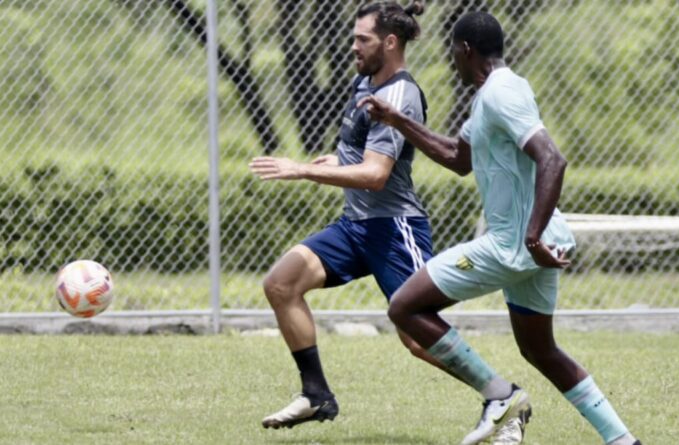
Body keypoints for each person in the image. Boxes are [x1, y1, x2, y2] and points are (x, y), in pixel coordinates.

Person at [358, 11, 642, 445]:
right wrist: (398, 121)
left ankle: (499, 395)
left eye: (452, 51)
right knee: (539, 350)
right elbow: (458, 157)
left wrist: (530, 237)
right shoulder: (494, 92)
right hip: (536, 242)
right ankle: (623, 441)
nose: (451, 59)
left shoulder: (501, 94)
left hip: (515, 244)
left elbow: (552, 159)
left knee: (404, 307)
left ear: (465, 50)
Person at [249, 1, 436, 430]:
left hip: (394, 229)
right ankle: (316, 395)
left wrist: (302, 169)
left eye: (362, 39)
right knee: (280, 284)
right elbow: (362, 151)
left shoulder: (399, 95)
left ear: (390, 42)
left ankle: (500, 395)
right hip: (354, 227)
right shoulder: (364, 82)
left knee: (420, 338)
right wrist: (336, 159)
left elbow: (375, 175)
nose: (353, 46)